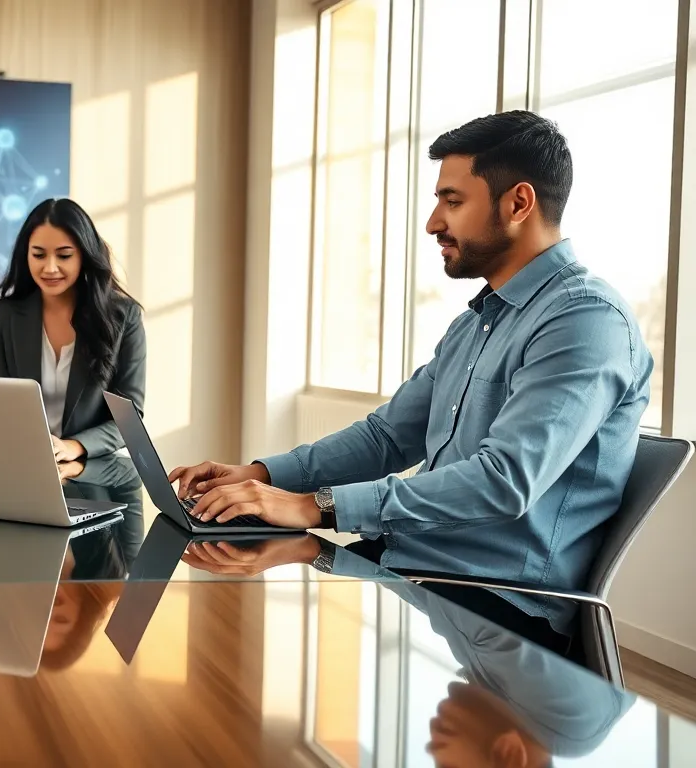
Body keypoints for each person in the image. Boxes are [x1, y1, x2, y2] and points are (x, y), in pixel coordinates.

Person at [170, 111, 653, 654]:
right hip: (408, 571)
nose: (431, 223)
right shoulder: (477, 322)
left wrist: (311, 506)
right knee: (223, 599)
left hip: (493, 605)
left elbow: (504, 481)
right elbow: (386, 438)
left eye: (452, 202)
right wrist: (258, 475)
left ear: (518, 203)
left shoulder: (585, 320)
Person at [0, 198, 146, 461]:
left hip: (97, 471)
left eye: (64, 255)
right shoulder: (4, 316)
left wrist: (74, 446)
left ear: (84, 254)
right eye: (38, 254)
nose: (49, 267)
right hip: (22, 462)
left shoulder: (124, 317)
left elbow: (130, 418)